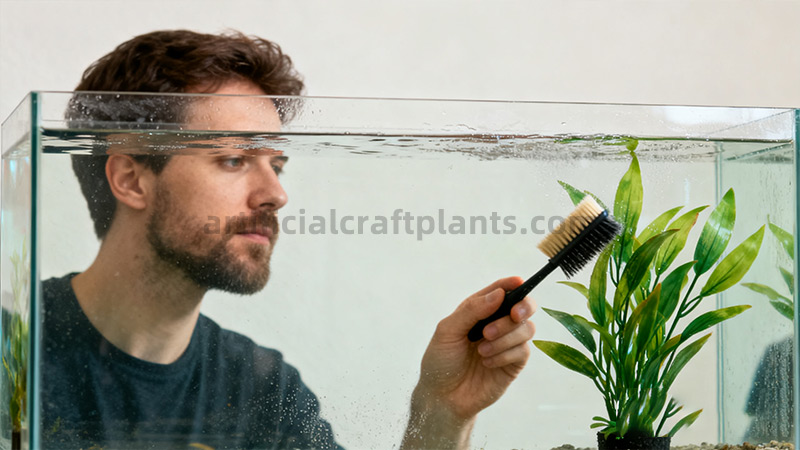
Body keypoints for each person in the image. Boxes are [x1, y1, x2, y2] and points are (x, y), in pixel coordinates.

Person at [41, 29, 537, 449]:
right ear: (131, 179)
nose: (276, 194)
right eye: (234, 160)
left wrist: (443, 410)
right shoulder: (15, 351)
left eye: (276, 165)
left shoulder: (263, 390)